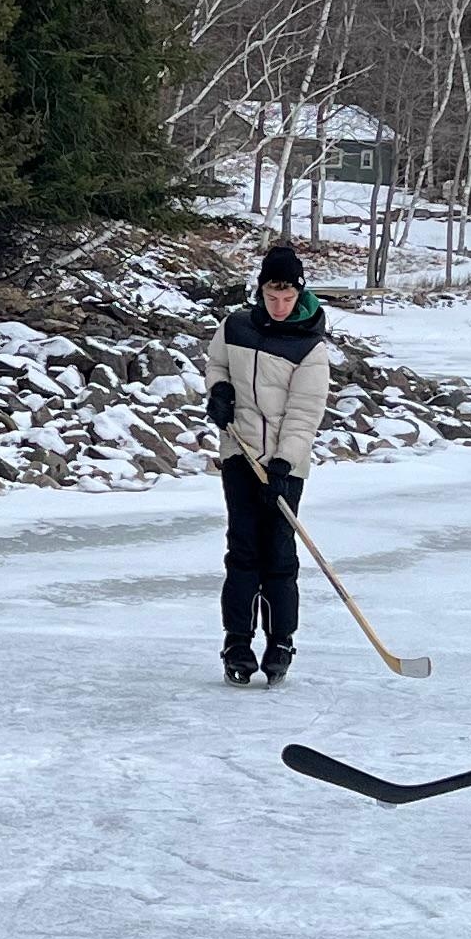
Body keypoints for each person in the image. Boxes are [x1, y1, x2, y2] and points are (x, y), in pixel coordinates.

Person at [202, 241, 334, 686]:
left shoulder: (310, 347)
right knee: (243, 550)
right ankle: (237, 641)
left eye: (288, 298)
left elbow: (304, 414)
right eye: (272, 297)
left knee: (278, 553)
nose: (279, 306)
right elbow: (217, 364)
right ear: (260, 291)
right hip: (239, 452)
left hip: (283, 464)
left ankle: (280, 641)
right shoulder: (235, 326)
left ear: (299, 294)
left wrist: (283, 465)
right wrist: (219, 394)